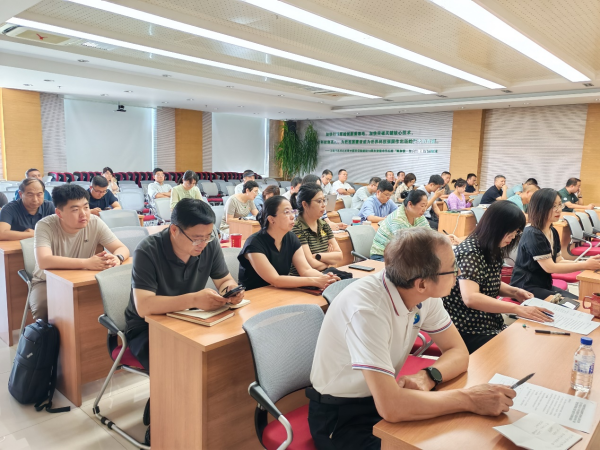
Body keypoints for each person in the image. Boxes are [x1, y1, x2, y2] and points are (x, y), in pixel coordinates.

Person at [308, 227, 517, 449]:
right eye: (452, 269)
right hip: (342, 415)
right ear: (422, 283)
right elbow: (391, 407)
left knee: (460, 436)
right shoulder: (367, 310)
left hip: (386, 396)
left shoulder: (423, 293)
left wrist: (429, 376)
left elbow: (458, 351)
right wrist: (470, 399)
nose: (458, 274)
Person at [125, 199, 244, 370]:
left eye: (208, 237)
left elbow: (224, 280)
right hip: (148, 326)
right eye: (196, 239)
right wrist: (194, 300)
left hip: (190, 318)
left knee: (229, 348)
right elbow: (144, 306)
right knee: (182, 363)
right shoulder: (148, 250)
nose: (203, 244)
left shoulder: (209, 244)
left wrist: (230, 291)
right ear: (174, 230)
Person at [442, 201, 552, 354]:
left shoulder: (491, 247)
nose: (513, 236)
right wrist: (517, 309)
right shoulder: (470, 252)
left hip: (488, 322)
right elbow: (471, 298)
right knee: (522, 351)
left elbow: (487, 280)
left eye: (517, 232)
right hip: (468, 329)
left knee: (531, 344)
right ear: (496, 227)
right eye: (511, 231)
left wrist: (514, 292)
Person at [31, 184, 130, 321]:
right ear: (59, 213)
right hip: (47, 281)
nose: (83, 214)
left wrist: (117, 257)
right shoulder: (45, 225)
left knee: (112, 299)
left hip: (83, 278)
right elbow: (44, 261)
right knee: (44, 307)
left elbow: (121, 248)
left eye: (86, 207)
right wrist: (86, 263)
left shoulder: (95, 222)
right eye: (75, 210)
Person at [511, 188, 600, 299]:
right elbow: (550, 267)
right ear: (540, 208)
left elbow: (558, 260)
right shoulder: (533, 233)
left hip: (544, 285)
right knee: (576, 305)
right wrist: (585, 265)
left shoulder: (552, 231)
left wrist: (587, 263)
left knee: (579, 301)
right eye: (553, 206)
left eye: (559, 205)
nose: (559, 210)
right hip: (525, 287)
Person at [237, 196, 340, 291]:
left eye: (292, 211)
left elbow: (305, 270)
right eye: (286, 212)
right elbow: (275, 280)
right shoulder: (254, 244)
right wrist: (315, 281)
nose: (292, 216)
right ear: (271, 219)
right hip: (255, 295)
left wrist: (325, 278)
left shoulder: (291, 238)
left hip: (280, 291)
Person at [290, 184, 342, 275]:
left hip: (326, 275)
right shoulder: (297, 228)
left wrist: (317, 256)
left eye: (324, 201)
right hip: (305, 279)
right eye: (319, 201)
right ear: (305, 204)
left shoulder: (324, 225)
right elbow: (311, 264)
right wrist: (329, 260)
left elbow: (339, 256)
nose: (323, 205)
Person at [370, 190, 430, 261]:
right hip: (382, 256)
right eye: (422, 206)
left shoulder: (419, 216)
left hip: (399, 255)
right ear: (410, 204)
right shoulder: (397, 219)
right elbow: (404, 247)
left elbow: (429, 235)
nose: (424, 209)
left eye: (426, 206)